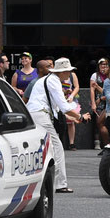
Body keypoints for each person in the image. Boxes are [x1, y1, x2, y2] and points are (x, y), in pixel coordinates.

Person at [25, 57, 89, 194]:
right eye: (68, 71)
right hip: (40, 116)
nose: (69, 74)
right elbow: (64, 107)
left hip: (36, 115)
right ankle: (60, 184)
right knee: (57, 148)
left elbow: (57, 108)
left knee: (42, 149)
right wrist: (80, 117)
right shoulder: (53, 82)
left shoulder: (47, 80)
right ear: (62, 72)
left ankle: (38, 182)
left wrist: (73, 117)